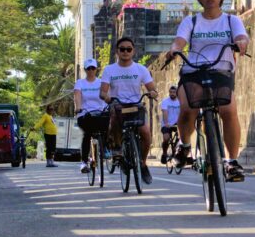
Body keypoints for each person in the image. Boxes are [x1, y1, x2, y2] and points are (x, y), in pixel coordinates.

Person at [164, 0, 249, 182]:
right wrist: (175, 49)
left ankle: (232, 161)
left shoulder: (231, 20)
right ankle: (184, 146)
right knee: (188, 109)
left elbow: (241, 37)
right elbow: (180, 41)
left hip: (221, 72)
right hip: (194, 72)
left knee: (229, 111)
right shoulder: (191, 21)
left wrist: (241, 42)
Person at [100, 37, 158, 185]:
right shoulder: (109, 70)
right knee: (114, 119)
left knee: (145, 133)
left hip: (135, 106)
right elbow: (103, 92)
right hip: (118, 106)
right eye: (122, 49)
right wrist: (108, 98)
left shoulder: (141, 69)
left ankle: (143, 163)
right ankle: (117, 150)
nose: (125, 52)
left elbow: (152, 88)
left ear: (133, 51)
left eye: (129, 49)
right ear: (117, 51)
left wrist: (152, 93)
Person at [74, 58, 108, 174]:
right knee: (87, 134)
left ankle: (106, 149)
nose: (91, 70)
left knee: (107, 127)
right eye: (88, 68)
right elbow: (77, 96)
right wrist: (78, 107)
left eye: (93, 68)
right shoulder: (80, 83)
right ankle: (84, 162)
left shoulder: (101, 82)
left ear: (96, 69)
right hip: (85, 114)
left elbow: (107, 95)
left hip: (100, 113)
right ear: (85, 70)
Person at [158, 85, 181, 165]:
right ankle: (164, 153)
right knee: (166, 139)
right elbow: (165, 112)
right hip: (167, 123)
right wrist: (166, 123)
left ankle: (177, 153)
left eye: (174, 92)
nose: (172, 94)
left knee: (182, 138)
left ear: (177, 93)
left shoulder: (180, 101)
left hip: (177, 123)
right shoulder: (165, 101)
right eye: (171, 92)